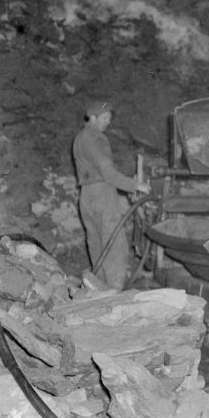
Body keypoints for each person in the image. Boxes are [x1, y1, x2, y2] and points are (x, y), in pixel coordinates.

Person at [72, 101, 150, 290]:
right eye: (105, 118)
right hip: (102, 193)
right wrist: (136, 186)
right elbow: (108, 173)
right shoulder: (96, 139)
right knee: (114, 242)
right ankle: (115, 289)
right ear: (93, 117)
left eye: (109, 118)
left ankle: (97, 285)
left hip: (86, 195)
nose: (108, 122)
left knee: (96, 240)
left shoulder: (79, 138)